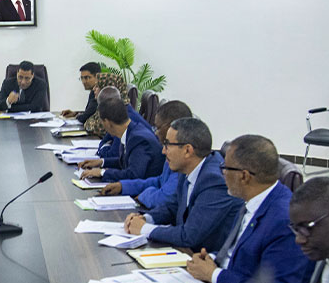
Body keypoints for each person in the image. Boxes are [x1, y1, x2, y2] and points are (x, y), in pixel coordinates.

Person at [185, 135, 315, 283]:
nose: (222, 173)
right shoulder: (253, 200)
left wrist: (214, 274)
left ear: (244, 176)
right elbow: (237, 251)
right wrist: (212, 259)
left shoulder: (284, 220)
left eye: (225, 168)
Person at [123, 117, 242, 251]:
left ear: (187, 150)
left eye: (167, 145)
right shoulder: (187, 169)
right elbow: (173, 207)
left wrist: (144, 229)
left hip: (204, 257)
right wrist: (145, 218)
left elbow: (189, 236)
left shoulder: (215, 181)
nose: (163, 151)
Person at [99, 99, 193, 210]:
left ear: (171, 127)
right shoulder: (171, 151)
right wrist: (123, 186)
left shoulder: (183, 158)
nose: (155, 133)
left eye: (158, 127)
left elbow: (166, 197)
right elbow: (159, 181)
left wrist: (143, 196)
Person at [77, 97, 164, 183]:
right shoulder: (131, 130)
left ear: (107, 122)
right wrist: (101, 162)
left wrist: (102, 172)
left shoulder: (139, 139)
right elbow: (125, 162)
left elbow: (133, 175)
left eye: (101, 122)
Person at [83, 72, 128, 136]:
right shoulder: (107, 105)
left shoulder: (119, 110)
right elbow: (91, 120)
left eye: (97, 86)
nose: (93, 89)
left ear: (106, 89)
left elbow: (97, 128)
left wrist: (90, 124)